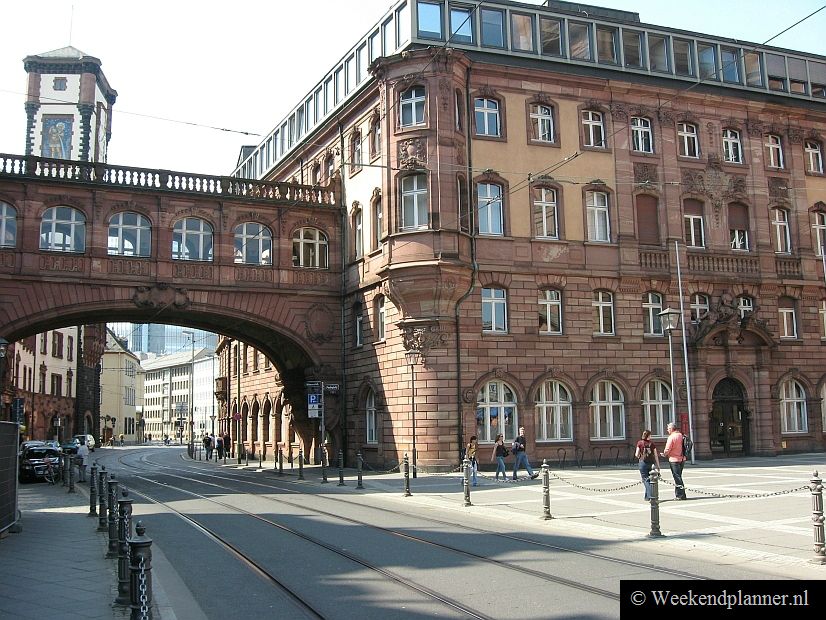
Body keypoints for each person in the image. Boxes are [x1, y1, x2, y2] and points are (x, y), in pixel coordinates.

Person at [662, 422, 687, 500]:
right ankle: (679, 494)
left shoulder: (672, 437)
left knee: (677, 477)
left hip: (674, 460)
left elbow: (668, 448)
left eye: (668, 429)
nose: (667, 430)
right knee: (679, 476)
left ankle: (681, 495)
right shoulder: (681, 435)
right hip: (682, 459)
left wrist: (664, 454)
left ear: (671, 429)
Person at [635, 429, 661, 501]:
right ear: (649, 436)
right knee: (649, 479)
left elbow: (636, 454)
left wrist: (640, 456)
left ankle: (651, 495)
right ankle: (647, 497)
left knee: (645, 480)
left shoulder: (640, 443)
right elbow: (655, 455)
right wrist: (658, 466)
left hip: (642, 463)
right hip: (651, 464)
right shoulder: (652, 444)